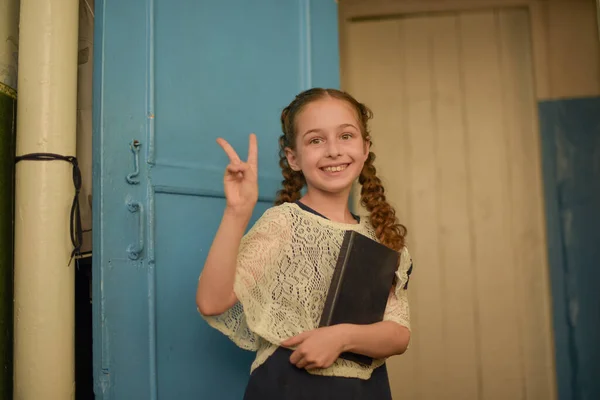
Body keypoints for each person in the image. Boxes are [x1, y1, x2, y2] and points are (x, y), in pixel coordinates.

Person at [196, 88, 413, 399]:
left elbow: (398, 334)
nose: (334, 151)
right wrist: (237, 212)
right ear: (293, 158)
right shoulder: (284, 223)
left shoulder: (381, 237)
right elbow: (212, 302)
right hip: (288, 388)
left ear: (365, 148)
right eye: (316, 140)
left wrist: (341, 337)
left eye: (346, 136)